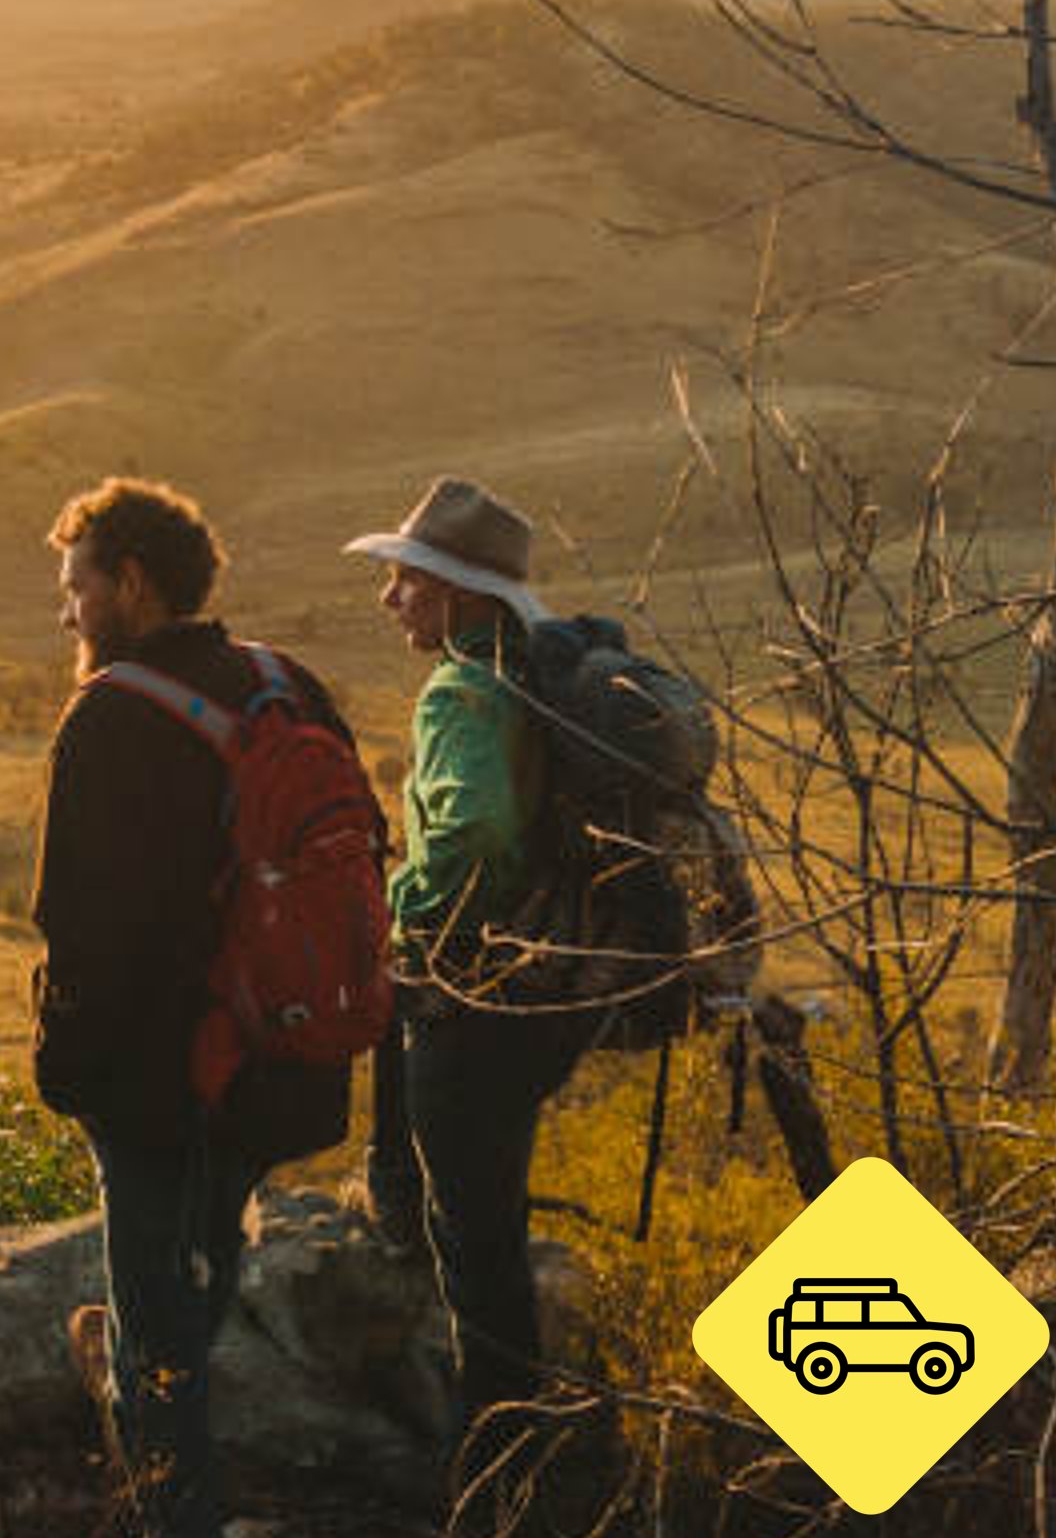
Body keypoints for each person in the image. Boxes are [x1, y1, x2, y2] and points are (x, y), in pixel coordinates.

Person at [29, 478, 349, 1538]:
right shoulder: (285, 683)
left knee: (155, 1326)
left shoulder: (110, 713)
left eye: (76, 586)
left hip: (159, 1081)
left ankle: (173, 1509)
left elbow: (73, 923)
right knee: (191, 1279)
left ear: (129, 583)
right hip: (283, 1062)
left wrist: (65, 1071)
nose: (66, 611)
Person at [345, 476, 608, 1457]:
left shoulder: (462, 688)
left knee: (474, 1247)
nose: (389, 599)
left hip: (477, 999)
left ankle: (494, 1464)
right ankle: (522, 1444)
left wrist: (399, 922)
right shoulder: (536, 673)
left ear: (458, 594)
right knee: (489, 1220)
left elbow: (477, 831)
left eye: (407, 580)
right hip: (548, 991)